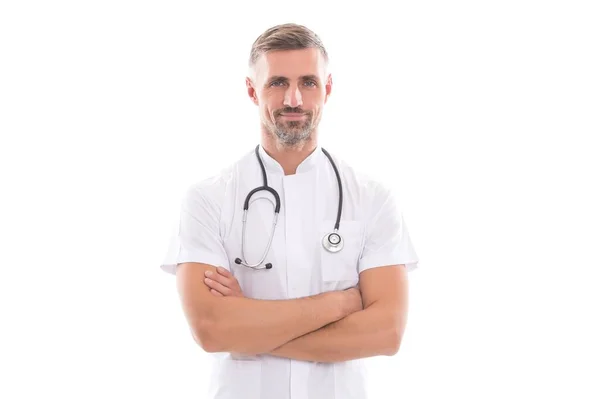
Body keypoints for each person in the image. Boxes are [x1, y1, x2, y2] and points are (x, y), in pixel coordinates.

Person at [160, 22, 420, 399]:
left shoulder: (372, 199)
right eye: (277, 82)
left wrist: (249, 325)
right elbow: (212, 329)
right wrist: (341, 302)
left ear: (327, 89)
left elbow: (387, 332)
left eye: (309, 82)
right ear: (252, 90)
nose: (294, 99)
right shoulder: (208, 199)